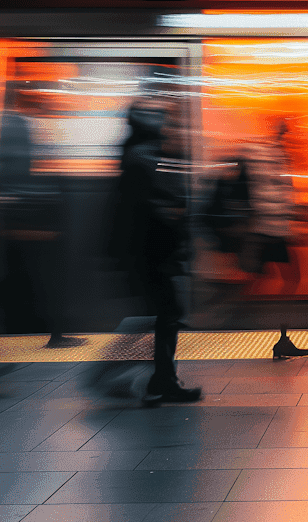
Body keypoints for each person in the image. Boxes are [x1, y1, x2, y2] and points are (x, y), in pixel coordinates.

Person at [0, 79, 85, 347]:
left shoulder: (17, 123)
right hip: (28, 217)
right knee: (34, 278)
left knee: (20, 280)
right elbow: (20, 175)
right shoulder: (17, 125)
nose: (41, 98)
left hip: (23, 215)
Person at [110, 91, 201, 404]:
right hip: (152, 252)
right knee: (163, 316)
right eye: (161, 118)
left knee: (164, 316)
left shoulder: (137, 152)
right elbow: (158, 205)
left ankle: (162, 380)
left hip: (151, 252)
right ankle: (146, 379)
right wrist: (177, 218)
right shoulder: (144, 156)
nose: (166, 123)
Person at [204, 118, 308, 359]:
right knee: (284, 280)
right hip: (269, 231)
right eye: (293, 136)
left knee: (266, 279)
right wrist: (290, 223)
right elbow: (271, 196)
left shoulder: (266, 153)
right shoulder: (271, 156)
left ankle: (227, 310)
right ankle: (223, 310)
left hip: (268, 231)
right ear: (284, 135)